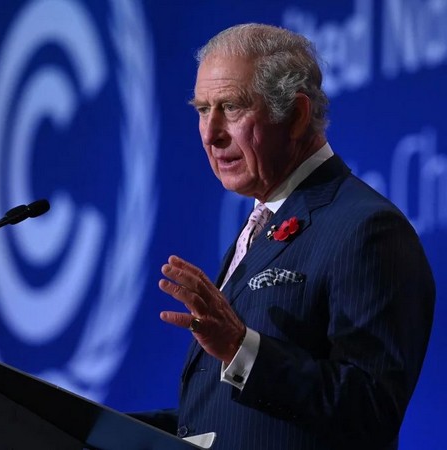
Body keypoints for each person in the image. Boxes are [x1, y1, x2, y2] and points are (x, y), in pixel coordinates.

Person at [153, 24, 435, 450]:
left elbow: (370, 410)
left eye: (230, 107)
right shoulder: (263, 221)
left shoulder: (367, 229)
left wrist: (239, 346)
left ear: (297, 115)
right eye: (201, 109)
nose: (211, 134)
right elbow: (242, 420)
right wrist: (87, 424)